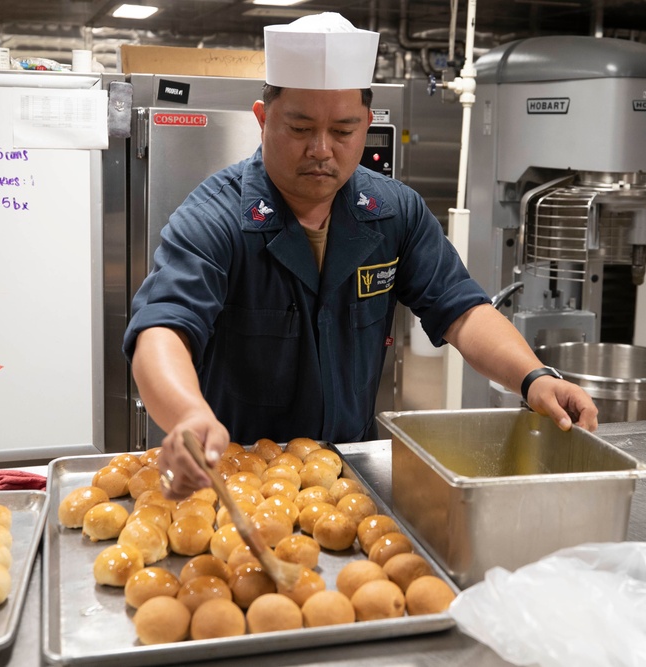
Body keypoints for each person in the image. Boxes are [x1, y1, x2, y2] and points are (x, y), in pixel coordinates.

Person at [123, 13, 598, 499]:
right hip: (236, 481)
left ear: (367, 125)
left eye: (344, 130)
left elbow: (462, 311)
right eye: (300, 127)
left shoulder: (393, 212)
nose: (321, 150)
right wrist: (187, 414)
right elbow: (163, 328)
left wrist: (533, 377)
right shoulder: (215, 216)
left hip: (347, 477)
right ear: (263, 119)